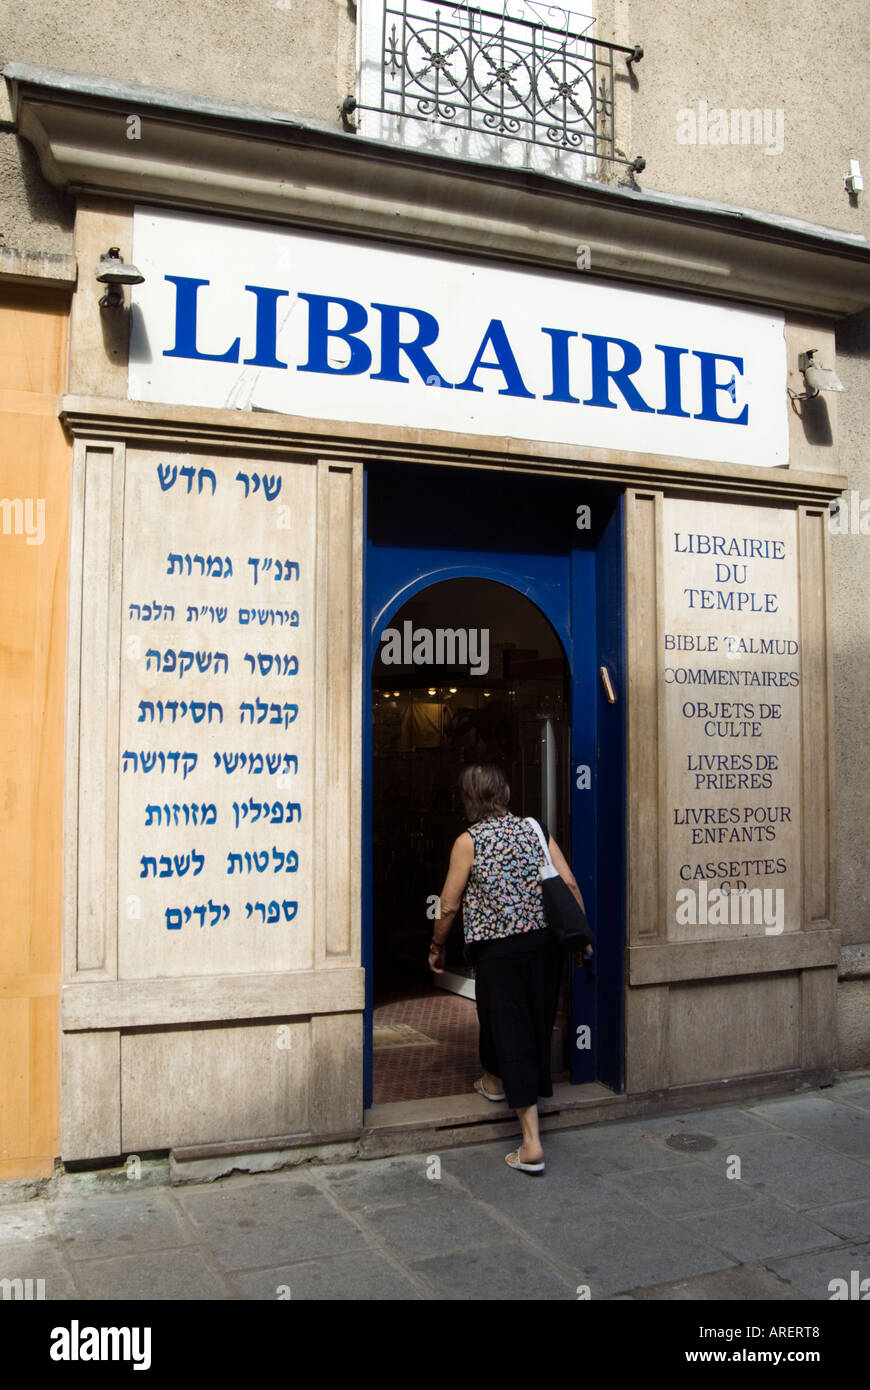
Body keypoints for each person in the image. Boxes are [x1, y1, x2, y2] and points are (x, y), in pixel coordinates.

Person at [429, 763, 592, 1176]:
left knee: (510, 1030)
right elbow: (569, 884)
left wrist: (436, 946)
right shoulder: (535, 830)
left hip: (499, 951)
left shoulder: (468, 841)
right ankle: (495, 1082)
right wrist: (580, 936)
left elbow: (448, 903)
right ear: (503, 793)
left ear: (468, 799)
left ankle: (531, 1142)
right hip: (543, 947)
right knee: (529, 1025)